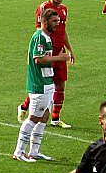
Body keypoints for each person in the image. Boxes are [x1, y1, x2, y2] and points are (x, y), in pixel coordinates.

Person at [13, 8, 70, 163]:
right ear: (44, 21)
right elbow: (39, 59)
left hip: (47, 82)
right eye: (54, 21)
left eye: (58, 21)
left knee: (44, 117)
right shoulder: (40, 37)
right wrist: (60, 58)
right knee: (33, 118)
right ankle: (19, 152)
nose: (57, 24)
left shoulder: (47, 37)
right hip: (39, 85)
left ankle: (34, 151)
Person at [18, 0, 76, 129]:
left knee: (60, 84)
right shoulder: (44, 8)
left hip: (60, 52)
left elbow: (63, 31)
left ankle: (55, 118)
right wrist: (39, 51)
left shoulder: (64, 9)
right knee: (44, 86)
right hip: (47, 52)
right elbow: (40, 31)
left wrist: (69, 49)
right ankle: (25, 106)